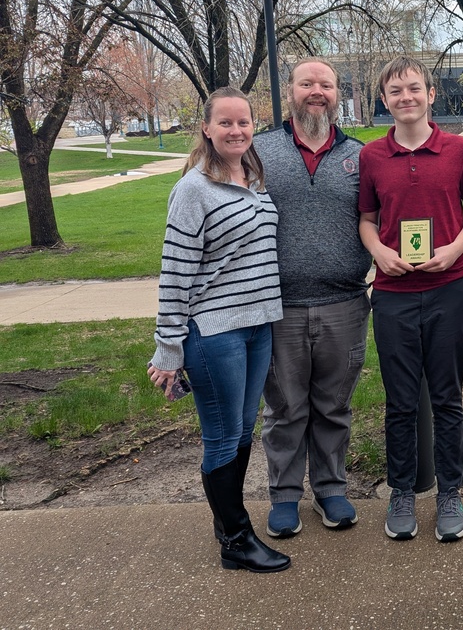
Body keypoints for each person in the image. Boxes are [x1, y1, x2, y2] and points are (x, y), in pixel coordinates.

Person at [148, 87, 289, 573]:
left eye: (244, 122)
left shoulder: (254, 179)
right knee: (224, 436)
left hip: (258, 328)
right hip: (214, 335)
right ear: (206, 129)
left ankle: (226, 519)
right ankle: (236, 538)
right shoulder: (193, 189)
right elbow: (175, 272)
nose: (236, 131)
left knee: (242, 428)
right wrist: (168, 349)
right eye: (225, 123)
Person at [358, 56, 463, 542]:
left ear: (432, 95)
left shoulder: (457, 150)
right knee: (400, 401)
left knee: (447, 397)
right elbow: (367, 221)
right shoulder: (372, 157)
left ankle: (450, 492)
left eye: (414, 88)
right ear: (385, 100)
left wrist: (454, 249)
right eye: (395, 91)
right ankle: (403, 492)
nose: (405, 97)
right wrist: (380, 252)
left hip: (448, 289)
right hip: (392, 294)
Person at [253, 58, 372, 539]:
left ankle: (330, 489)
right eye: (307, 83)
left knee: (333, 405)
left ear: (337, 93)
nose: (316, 91)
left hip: (344, 302)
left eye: (325, 84)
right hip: (276, 305)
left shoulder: (362, 157)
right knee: (284, 408)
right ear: (291, 92)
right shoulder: (259, 151)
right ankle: (284, 496)